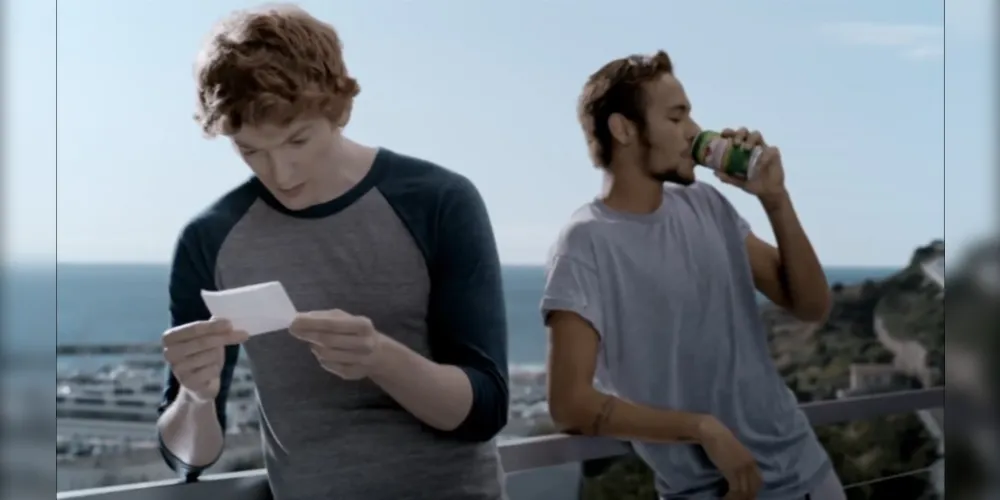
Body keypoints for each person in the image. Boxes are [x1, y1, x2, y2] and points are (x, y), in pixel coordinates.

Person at [155, 5, 509, 499]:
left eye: (297, 140)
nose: (281, 174)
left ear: (340, 111)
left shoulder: (439, 201)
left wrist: (380, 357)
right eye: (251, 150)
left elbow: (486, 411)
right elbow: (188, 459)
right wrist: (195, 397)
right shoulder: (208, 238)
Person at [542, 51, 844, 500]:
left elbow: (812, 305)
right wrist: (702, 429)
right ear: (623, 129)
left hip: (809, 477)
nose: (693, 130)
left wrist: (775, 198)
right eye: (676, 116)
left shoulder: (706, 205)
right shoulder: (585, 242)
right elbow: (569, 405)